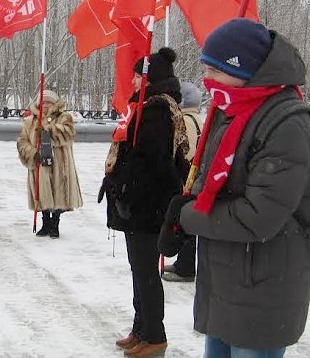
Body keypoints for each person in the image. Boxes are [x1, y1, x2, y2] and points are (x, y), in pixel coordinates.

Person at [158, 18, 310, 358]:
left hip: (264, 289)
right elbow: (211, 182)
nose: (206, 81)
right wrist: (182, 207)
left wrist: (188, 217)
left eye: (216, 70)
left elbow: (259, 217)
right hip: (226, 284)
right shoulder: (232, 110)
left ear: (246, 69)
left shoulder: (287, 122)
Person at [102, 47, 188, 357]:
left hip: (147, 206)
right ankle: (141, 327)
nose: (134, 80)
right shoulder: (148, 106)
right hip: (141, 204)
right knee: (139, 270)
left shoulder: (157, 109)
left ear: (152, 78)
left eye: (139, 75)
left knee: (146, 272)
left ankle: (154, 335)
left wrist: (125, 189)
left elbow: (149, 160)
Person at [16, 89, 83, 238]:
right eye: (43, 102)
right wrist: (32, 153)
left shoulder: (64, 117)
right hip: (39, 163)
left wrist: (48, 131)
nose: (46, 104)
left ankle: (55, 224)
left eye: (49, 102)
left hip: (60, 164)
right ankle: (45, 223)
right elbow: (22, 141)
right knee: (42, 193)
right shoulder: (30, 121)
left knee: (58, 192)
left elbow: (68, 134)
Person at [162, 81, 203, 283]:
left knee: (183, 221)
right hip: (195, 176)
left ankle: (185, 266)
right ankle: (183, 263)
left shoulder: (185, 120)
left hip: (187, 176)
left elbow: (185, 149)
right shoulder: (198, 118)